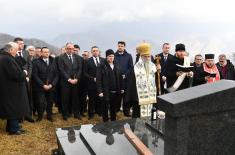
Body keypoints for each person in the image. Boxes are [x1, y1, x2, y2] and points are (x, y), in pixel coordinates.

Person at [0, 42, 30, 135]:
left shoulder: (3, 57)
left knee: (11, 109)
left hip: (7, 88)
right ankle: (14, 129)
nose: (17, 53)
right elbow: (17, 75)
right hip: (13, 89)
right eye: (16, 50)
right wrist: (25, 72)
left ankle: (12, 127)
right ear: (11, 50)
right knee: (14, 109)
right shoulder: (8, 59)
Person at [125, 43, 158, 118]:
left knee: (151, 118)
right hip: (138, 99)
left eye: (148, 56)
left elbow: (156, 82)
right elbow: (131, 85)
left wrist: (159, 72)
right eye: (145, 56)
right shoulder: (135, 69)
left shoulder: (153, 67)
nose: (147, 58)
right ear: (141, 56)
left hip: (151, 98)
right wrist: (135, 98)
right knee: (138, 120)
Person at [96, 49, 124, 122]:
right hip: (105, 91)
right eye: (109, 56)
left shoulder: (117, 65)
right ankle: (105, 122)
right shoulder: (101, 66)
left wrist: (122, 88)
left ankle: (113, 121)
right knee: (105, 108)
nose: (111, 58)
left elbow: (120, 77)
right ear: (106, 57)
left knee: (113, 108)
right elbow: (98, 80)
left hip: (115, 91)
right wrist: (100, 91)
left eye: (112, 56)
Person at [32, 47, 58, 122]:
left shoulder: (54, 61)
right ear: (41, 53)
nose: (46, 53)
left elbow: (57, 75)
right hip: (40, 87)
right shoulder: (36, 62)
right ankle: (40, 116)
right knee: (40, 102)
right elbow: (35, 75)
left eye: (48, 52)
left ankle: (49, 116)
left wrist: (51, 85)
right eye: (45, 52)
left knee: (50, 102)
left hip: (51, 86)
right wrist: (43, 85)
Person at [58, 43, 82, 120]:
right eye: (69, 48)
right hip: (65, 82)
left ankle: (76, 114)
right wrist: (69, 79)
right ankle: (65, 114)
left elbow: (79, 69)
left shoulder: (77, 57)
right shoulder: (61, 58)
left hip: (75, 81)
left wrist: (77, 78)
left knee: (75, 98)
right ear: (66, 48)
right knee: (65, 99)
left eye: (72, 49)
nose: (71, 50)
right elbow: (61, 70)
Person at [14, 37, 34, 122]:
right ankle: (19, 116)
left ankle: (28, 115)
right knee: (18, 98)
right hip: (17, 80)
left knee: (28, 97)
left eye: (23, 43)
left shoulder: (26, 53)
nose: (22, 45)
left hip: (26, 80)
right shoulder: (12, 53)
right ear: (15, 44)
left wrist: (28, 76)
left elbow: (30, 65)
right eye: (20, 43)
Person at [84, 46, 105, 119]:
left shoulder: (103, 60)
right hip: (91, 84)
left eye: (96, 51)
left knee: (100, 99)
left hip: (101, 84)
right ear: (91, 52)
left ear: (99, 52)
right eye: (94, 51)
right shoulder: (87, 61)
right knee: (91, 100)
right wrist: (93, 79)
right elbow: (85, 73)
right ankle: (90, 114)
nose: (95, 52)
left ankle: (99, 112)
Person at [114, 41, 133, 116]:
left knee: (126, 96)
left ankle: (126, 111)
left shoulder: (128, 56)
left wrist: (125, 75)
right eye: (119, 46)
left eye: (121, 46)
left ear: (124, 47)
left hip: (126, 80)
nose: (120, 47)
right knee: (117, 96)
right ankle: (116, 110)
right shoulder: (114, 55)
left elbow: (131, 67)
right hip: (116, 79)